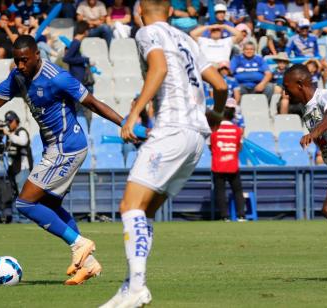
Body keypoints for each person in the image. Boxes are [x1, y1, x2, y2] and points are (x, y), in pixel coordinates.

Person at [0, 35, 124, 285]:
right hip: (53, 148)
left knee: (25, 203)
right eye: (17, 61)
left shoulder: (57, 77)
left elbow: (92, 103)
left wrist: (125, 123)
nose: (21, 65)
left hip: (67, 147)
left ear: (37, 54)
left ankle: (79, 243)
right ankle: (87, 263)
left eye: (24, 60)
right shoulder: (18, 76)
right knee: (48, 204)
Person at [100, 0, 227, 306]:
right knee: (145, 211)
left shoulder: (146, 33)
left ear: (138, 12)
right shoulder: (188, 40)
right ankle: (131, 285)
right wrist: (217, 116)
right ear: (171, 11)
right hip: (197, 138)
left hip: (171, 128)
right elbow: (221, 86)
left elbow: (159, 67)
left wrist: (133, 115)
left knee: (130, 206)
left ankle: (137, 287)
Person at [284, 64, 327, 242]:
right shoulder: (306, 108)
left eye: (288, 88)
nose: (286, 94)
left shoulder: (323, 95)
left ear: (300, 84)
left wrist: (314, 133)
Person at [210, 98, 246, 222]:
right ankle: (241, 215)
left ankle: (225, 216)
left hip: (218, 165)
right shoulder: (237, 130)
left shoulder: (214, 130)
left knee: (220, 191)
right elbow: (239, 147)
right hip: (232, 165)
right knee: (237, 190)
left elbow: (211, 146)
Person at [0, 111, 33, 193]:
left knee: (22, 194)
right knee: (14, 192)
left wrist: (8, 133)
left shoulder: (21, 131)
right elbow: (7, 148)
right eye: (7, 122)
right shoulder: (10, 134)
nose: (9, 124)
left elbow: (23, 142)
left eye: (11, 121)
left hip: (22, 169)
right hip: (12, 168)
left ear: (16, 121)